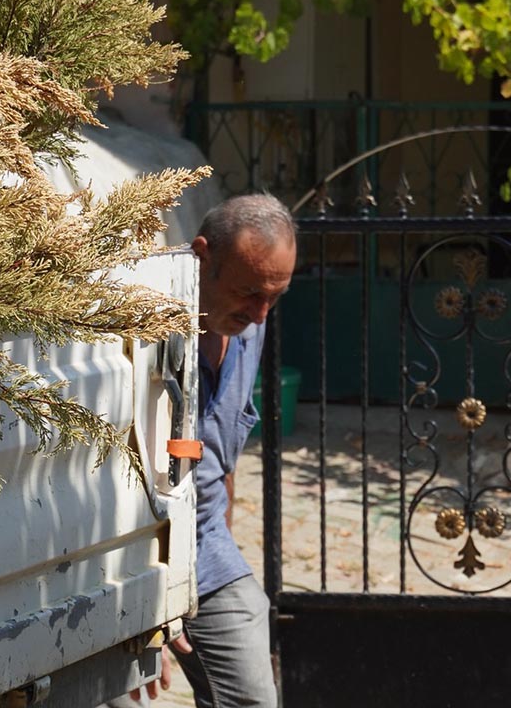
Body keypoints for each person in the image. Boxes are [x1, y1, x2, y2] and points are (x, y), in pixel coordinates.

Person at [131, 193, 296, 708]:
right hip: (129, 554)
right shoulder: (141, 325)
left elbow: (224, 452)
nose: (261, 312)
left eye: (276, 295)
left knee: (251, 695)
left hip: (206, 549)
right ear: (201, 256)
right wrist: (145, 611)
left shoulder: (252, 322)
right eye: (249, 292)